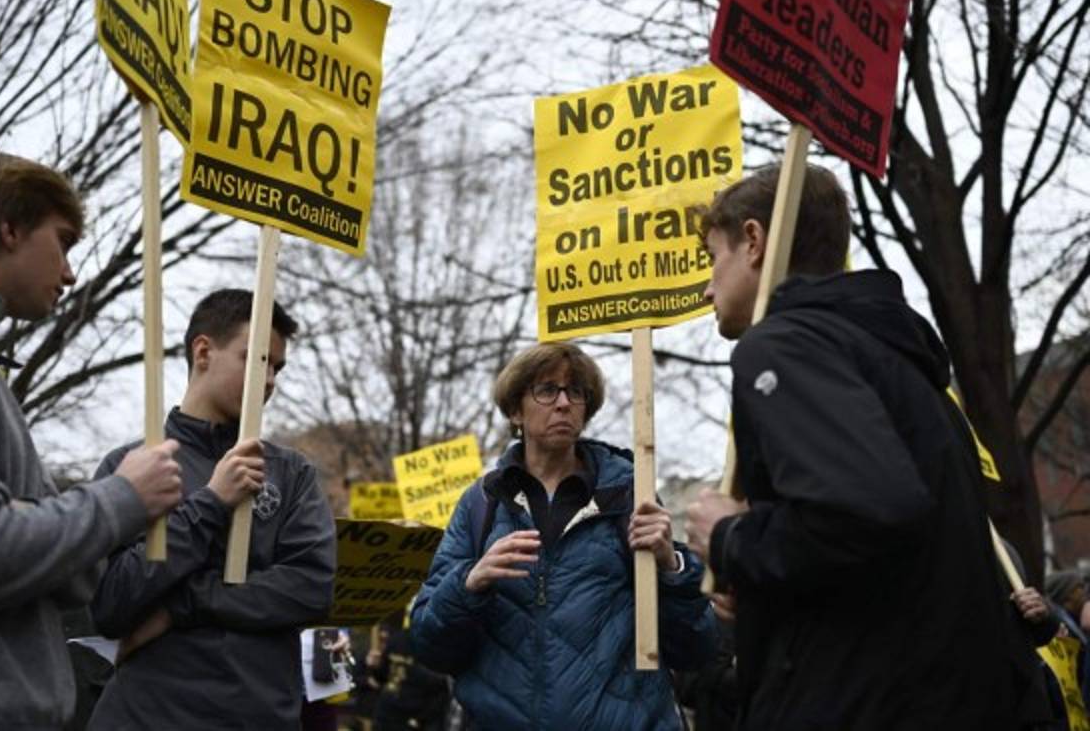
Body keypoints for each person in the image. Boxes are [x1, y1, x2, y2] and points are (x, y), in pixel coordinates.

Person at [684, 162, 1046, 730]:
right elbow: (887, 555)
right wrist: (759, 586)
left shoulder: (783, 345)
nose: (708, 285)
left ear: (753, 240)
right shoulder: (909, 367)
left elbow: (867, 512)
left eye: (712, 257)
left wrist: (731, 539)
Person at [0, 151, 183, 729]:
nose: (71, 273)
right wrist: (120, 499)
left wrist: (37, 523)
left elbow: (72, 579)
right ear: (9, 228)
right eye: (64, 241)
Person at [410, 342, 718, 730]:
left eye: (575, 392)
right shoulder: (481, 504)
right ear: (514, 410)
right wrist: (469, 584)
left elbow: (696, 649)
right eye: (546, 390)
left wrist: (671, 568)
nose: (563, 403)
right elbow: (429, 646)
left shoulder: (629, 495)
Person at [88, 288, 336, 729]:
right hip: (146, 717)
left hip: (258, 717)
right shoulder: (131, 467)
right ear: (203, 351)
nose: (271, 380)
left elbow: (310, 588)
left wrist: (181, 604)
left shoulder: (290, 473)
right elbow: (110, 604)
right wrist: (210, 503)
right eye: (258, 360)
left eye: (278, 367)